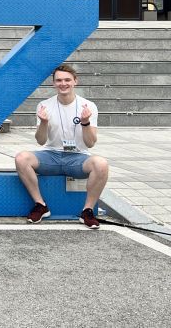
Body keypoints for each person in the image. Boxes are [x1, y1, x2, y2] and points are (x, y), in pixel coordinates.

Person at [15, 65, 110, 229]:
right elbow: (40, 141)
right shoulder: (44, 105)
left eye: (67, 80)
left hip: (78, 158)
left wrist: (85, 122)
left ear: (75, 82)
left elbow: (90, 143)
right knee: (21, 158)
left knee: (101, 164)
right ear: (53, 83)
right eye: (59, 80)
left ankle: (87, 211)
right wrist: (43, 123)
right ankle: (40, 205)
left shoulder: (88, 106)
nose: (63, 83)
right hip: (51, 155)